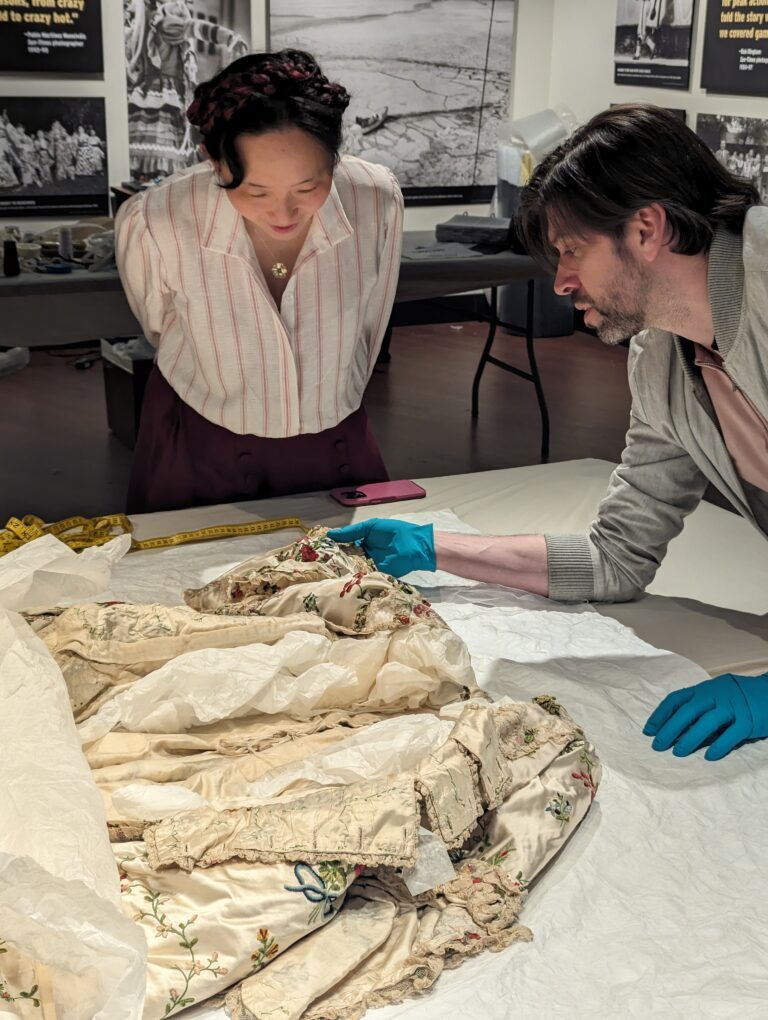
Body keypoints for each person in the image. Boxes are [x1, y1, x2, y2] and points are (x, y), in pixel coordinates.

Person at [330, 104, 768, 763]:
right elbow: (616, 557)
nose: (561, 282)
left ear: (646, 229)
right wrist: (433, 547)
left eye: (571, 250)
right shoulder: (662, 360)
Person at [116, 48, 403, 514]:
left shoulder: (376, 200)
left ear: (335, 156)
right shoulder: (158, 218)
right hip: (202, 436)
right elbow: (159, 325)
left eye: (308, 187)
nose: (283, 213)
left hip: (334, 437)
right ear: (215, 161)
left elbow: (371, 324)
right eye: (256, 191)